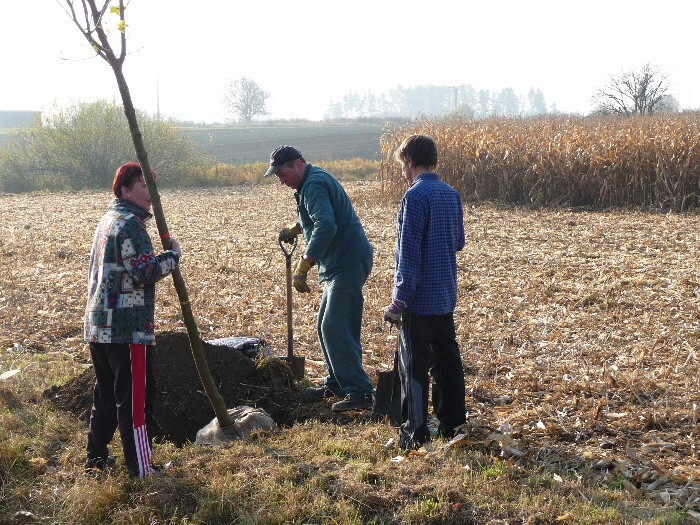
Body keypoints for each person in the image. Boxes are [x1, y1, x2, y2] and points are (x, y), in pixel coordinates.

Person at [83, 161, 182, 478]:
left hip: (99, 326)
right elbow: (146, 271)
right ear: (125, 189)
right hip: (127, 328)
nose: (150, 193)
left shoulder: (108, 221)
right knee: (136, 402)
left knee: (107, 396)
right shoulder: (131, 226)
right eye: (144, 186)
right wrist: (173, 256)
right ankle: (141, 470)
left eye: (152, 186)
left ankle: (94, 461)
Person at [265, 145, 375, 412]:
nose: (281, 179)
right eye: (277, 174)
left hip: (346, 262)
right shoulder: (310, 182)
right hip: (341, 262)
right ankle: (337, 383)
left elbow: (326, 225)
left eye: (282, 172)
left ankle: (359, 391)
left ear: (297, 164)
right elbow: (317, 217)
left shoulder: (313, 183)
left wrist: (304, 265)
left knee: (334, 326)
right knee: (328, 325)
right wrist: (295, 228)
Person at [383, 134, 466, 451]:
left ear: (410, 162)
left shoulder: (414, 198)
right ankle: (453, 423)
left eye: (403, 165)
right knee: (447, 362)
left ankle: (415, 432)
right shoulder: (450, 194)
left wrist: (398, 302)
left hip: (418, 301)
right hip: (445, 296)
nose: (403, 172)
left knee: (413, 367)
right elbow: (458, 242)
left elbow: (408, 257)